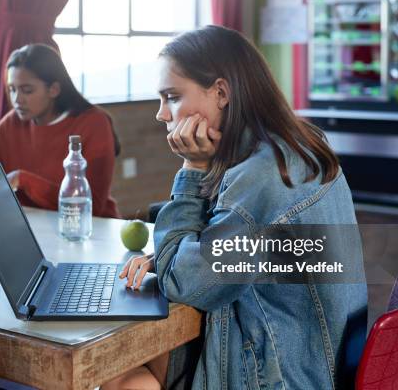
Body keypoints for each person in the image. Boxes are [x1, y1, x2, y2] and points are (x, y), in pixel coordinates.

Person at [107, 25, 367, 389]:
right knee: (136, 357)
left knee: (121, 376)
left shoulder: (263, 176)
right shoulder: (291, 145)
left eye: (172, 96)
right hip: (312, 357)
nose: (162, 114)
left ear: (221, 93)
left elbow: (187, 284)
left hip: (288, 376)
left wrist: (192, 170)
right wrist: (178, 256)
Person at [0, 44, 120, 218]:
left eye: (27, 90)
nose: (17, 100)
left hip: (91, 231)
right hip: (35, 227)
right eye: (12, 89)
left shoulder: (93, 123)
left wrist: (24, 180)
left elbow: (93, 205)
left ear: (54, 89)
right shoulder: (12, 121)